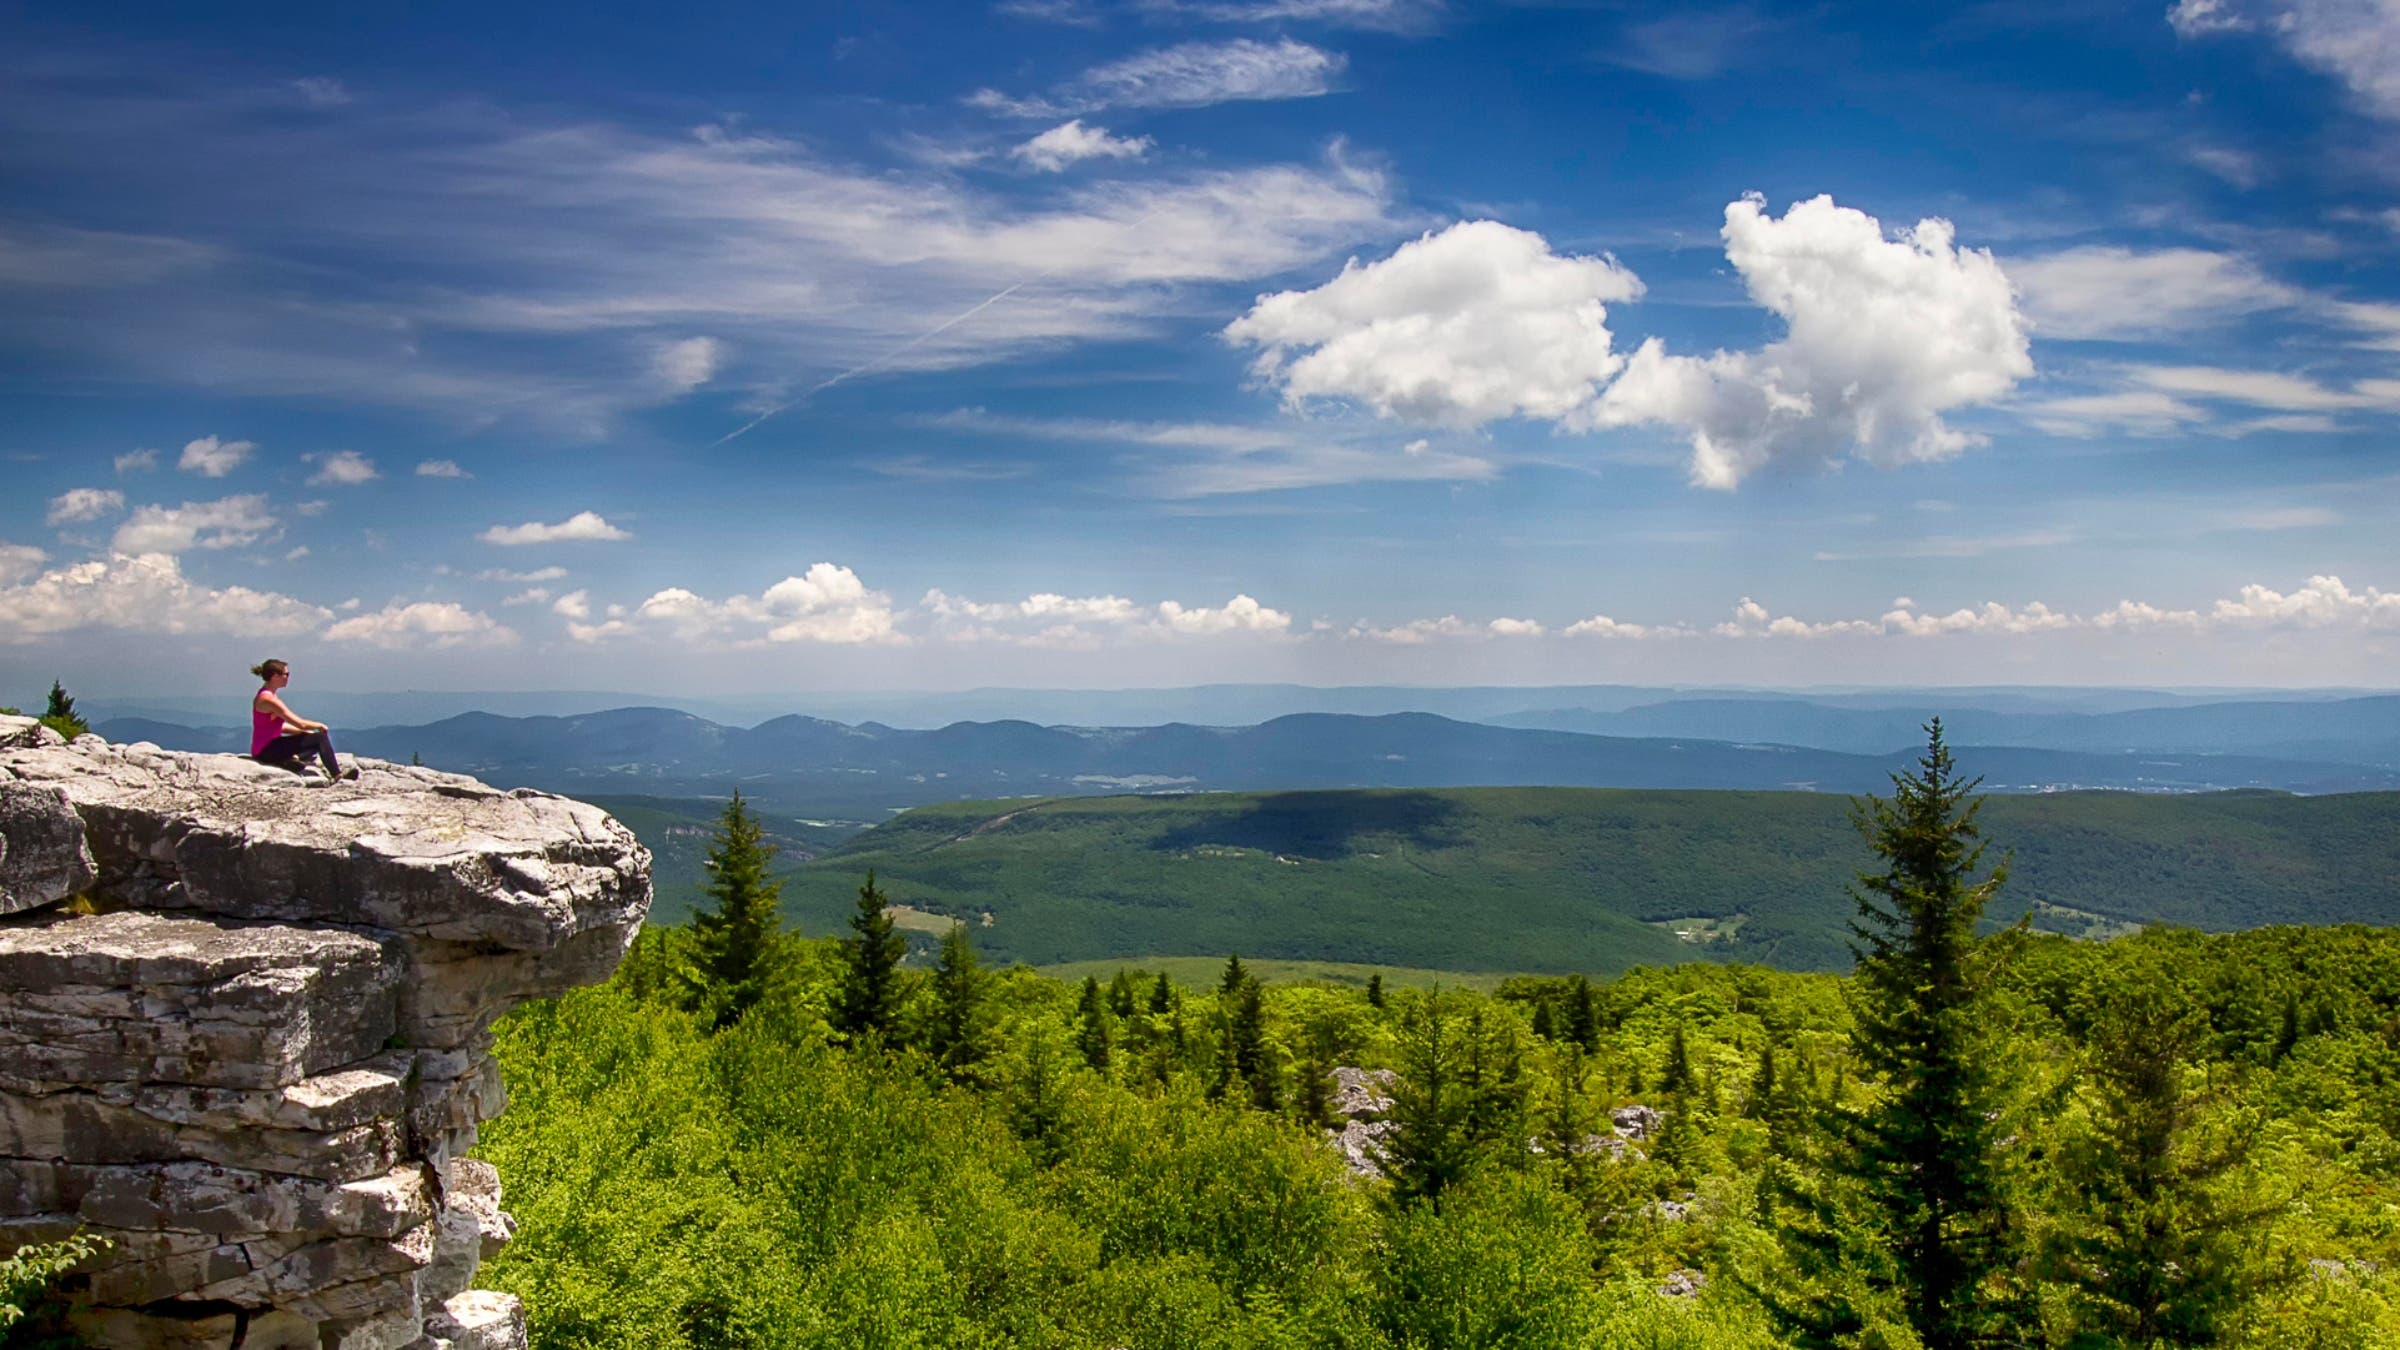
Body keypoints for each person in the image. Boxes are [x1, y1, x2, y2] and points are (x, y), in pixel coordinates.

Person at [249, 659, 358, 780]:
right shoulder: (269, 700)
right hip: (267, 750)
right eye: (286, 674)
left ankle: (289, 760)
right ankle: (338, 776)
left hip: (265, 750)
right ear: (275, 676)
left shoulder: (265, 695)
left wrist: (303, 733)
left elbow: (277, 727)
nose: (288, 677)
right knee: (320, 738)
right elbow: (300, 723)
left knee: (312, 742)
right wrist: (319, 725)